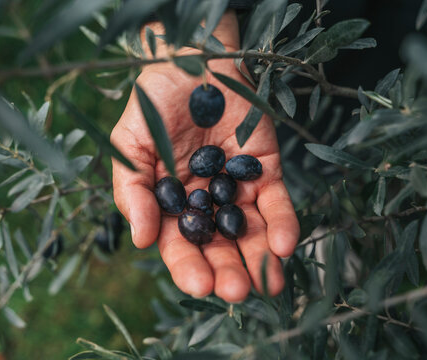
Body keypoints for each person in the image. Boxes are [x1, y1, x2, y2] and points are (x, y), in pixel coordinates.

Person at [110, 6, 299, 303]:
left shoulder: (210, 191)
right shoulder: (205, 195)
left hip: (288, 55)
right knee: (295, 147)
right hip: (257, 61)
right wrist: (194, 33)